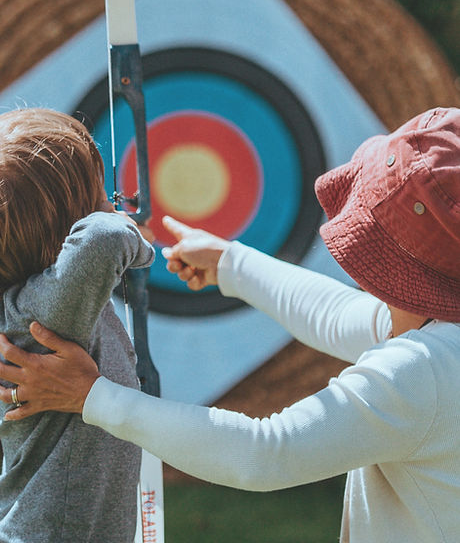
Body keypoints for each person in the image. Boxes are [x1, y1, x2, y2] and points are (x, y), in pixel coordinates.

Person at [1, 106, 460, 543]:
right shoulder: (438, 332)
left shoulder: (425, 371)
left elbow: (267, 453)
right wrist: (231, 264)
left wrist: (92, 396)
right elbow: (339, 316)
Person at [0, 107, 155, 542]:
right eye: (100, 194)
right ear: (70, 226)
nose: (112, 202)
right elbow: (105, 240)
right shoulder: (47, 315)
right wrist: (134, 237)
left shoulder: (43, 301)